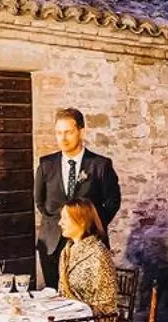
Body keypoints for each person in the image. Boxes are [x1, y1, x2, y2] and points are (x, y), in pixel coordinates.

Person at [34, 107, 121, 291]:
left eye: (68, 132)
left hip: (88, 244)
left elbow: (113, 201)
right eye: (58, 133)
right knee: (54, 297)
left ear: (81, 132)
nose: (63, 138)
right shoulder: (46, 165)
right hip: (52, 245)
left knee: (87, 297)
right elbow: (40, 201)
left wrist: (90, 225)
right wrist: (58, 223)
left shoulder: (100, 165)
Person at [55, 200, 120, 318]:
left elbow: (108, 308)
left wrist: (78, 312)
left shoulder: (98, 255)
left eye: (65, 218)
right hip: (67, 317)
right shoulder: (67, 251)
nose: (60, 223)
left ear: (82, 221)